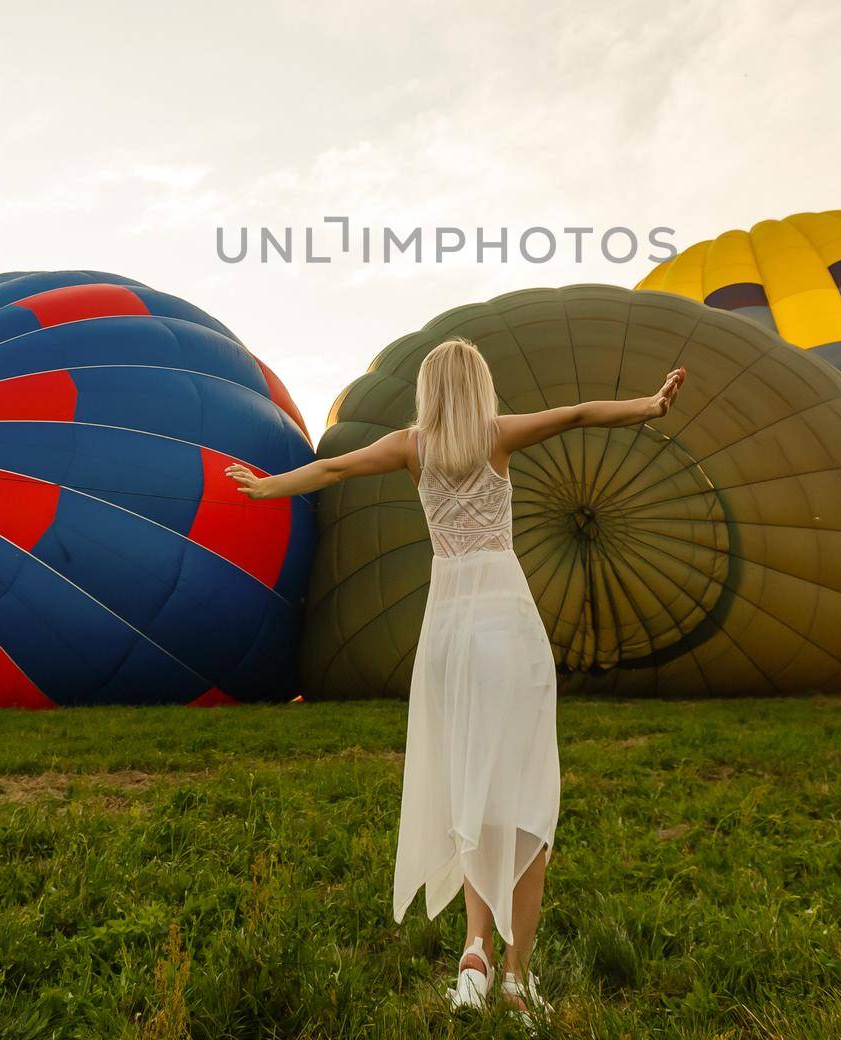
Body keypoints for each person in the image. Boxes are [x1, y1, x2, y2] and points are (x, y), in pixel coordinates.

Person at [228, 341, 686, 1027]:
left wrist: (270, 487)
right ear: (479, 385)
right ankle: (515, 979)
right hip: (503, 620)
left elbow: (331, 467)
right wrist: (649, 406)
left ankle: (473, 952)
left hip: (446, 630)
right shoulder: (498, 436)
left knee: (468, 780)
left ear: (428, 390)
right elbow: (582, 413)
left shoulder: (410, 446)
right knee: (526, 795)